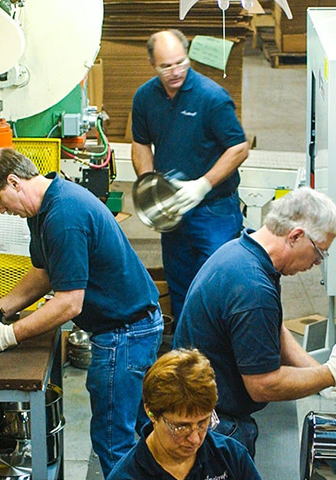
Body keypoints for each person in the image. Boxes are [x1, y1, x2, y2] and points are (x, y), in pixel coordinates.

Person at [0, 148, 163, 477]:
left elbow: (69, 302)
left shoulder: (64, 216)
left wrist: (7, 336)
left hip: (126, 332)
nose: (0, 210)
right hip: (127, 325)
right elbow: (45, 274)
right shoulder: (42, 210)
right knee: (144, 430)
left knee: (114, 439)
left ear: (14, 182)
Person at [172, 188, 336, 456]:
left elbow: (273, 328)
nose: (316, 263)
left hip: (206, 412)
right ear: (296, 236)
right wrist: (331, 373)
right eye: (319, 253)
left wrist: (324, 376)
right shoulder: (252, 287)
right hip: (213, 427)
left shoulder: (244, 252)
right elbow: (263, 385)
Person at [131, 29, 250, 321]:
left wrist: (203, 185)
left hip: (214, 210)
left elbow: (239, 148)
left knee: (218, 285)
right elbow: (140, 143)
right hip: (176, 210)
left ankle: (220, 357)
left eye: (180, 62)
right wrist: (150, 187)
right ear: (152, 64)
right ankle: (188, 355)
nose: (175, 72)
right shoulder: (145, 97)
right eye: (166, 66)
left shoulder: (211, 98)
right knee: (180, 285)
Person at [107, 348, 262, 480]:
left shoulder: (231, 456)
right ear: (151, 412)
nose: (195, 439)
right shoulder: (126, 475)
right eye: (181, 427)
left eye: (203, 423)